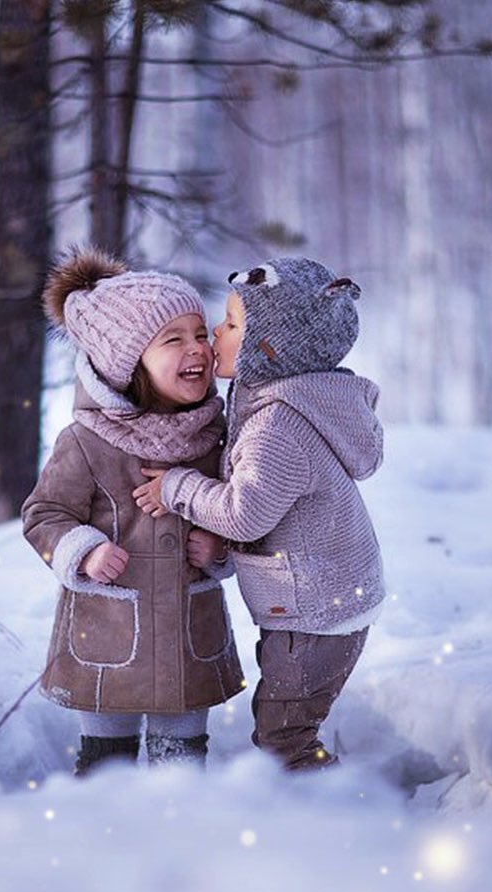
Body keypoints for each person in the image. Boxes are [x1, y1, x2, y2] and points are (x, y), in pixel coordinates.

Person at [133, 256, 385, 771]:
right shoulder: (278, 397)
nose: (215, 335)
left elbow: (245, 514)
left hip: (316, 617)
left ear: (271, 347)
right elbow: (277, 515)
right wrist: (226, 555)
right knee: (283, 722)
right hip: (324, 600)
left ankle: (343, 824)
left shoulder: (277, 428)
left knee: (283, 736)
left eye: (230, 325)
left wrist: (178, 486)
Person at [22, 246, 244, 776]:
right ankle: (101, 835)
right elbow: (44, 514)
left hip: (189, 632)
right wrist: (84, 551)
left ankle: (178, 831)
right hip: (107, 632)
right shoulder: (86, 441)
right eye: (173, 339)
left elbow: (242, 511)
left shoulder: (217, 435)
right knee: (107, 762)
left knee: (181, 762)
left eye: (198, 333)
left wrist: (220, 550)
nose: (198, 349)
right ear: (128, 363)